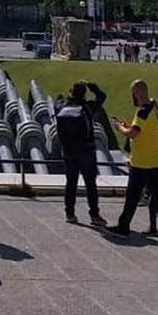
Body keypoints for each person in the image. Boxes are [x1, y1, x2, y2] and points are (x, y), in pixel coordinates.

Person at [113, 79, 158, 241]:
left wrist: (120, 128)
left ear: (137, 92)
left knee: (156, 197)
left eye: (133, 92)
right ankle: (123, 226)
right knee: (135, 196)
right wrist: (127, 125)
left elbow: (133, 133)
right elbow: (140, 131)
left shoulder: (143, 111)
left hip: (145, 163)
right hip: (144, 161)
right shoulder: (149, 110)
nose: (132, 96)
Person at [56, 81, 108, 225]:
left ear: (70, 91)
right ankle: (94, 215)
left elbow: (57, 103)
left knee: (71, 183)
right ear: (84, 94)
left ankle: (70, 213)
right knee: (90, 184)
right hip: (86, 150)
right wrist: (93, 86)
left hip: (68, 151)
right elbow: (102, 96)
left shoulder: (60, 106)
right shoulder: (87, 107)